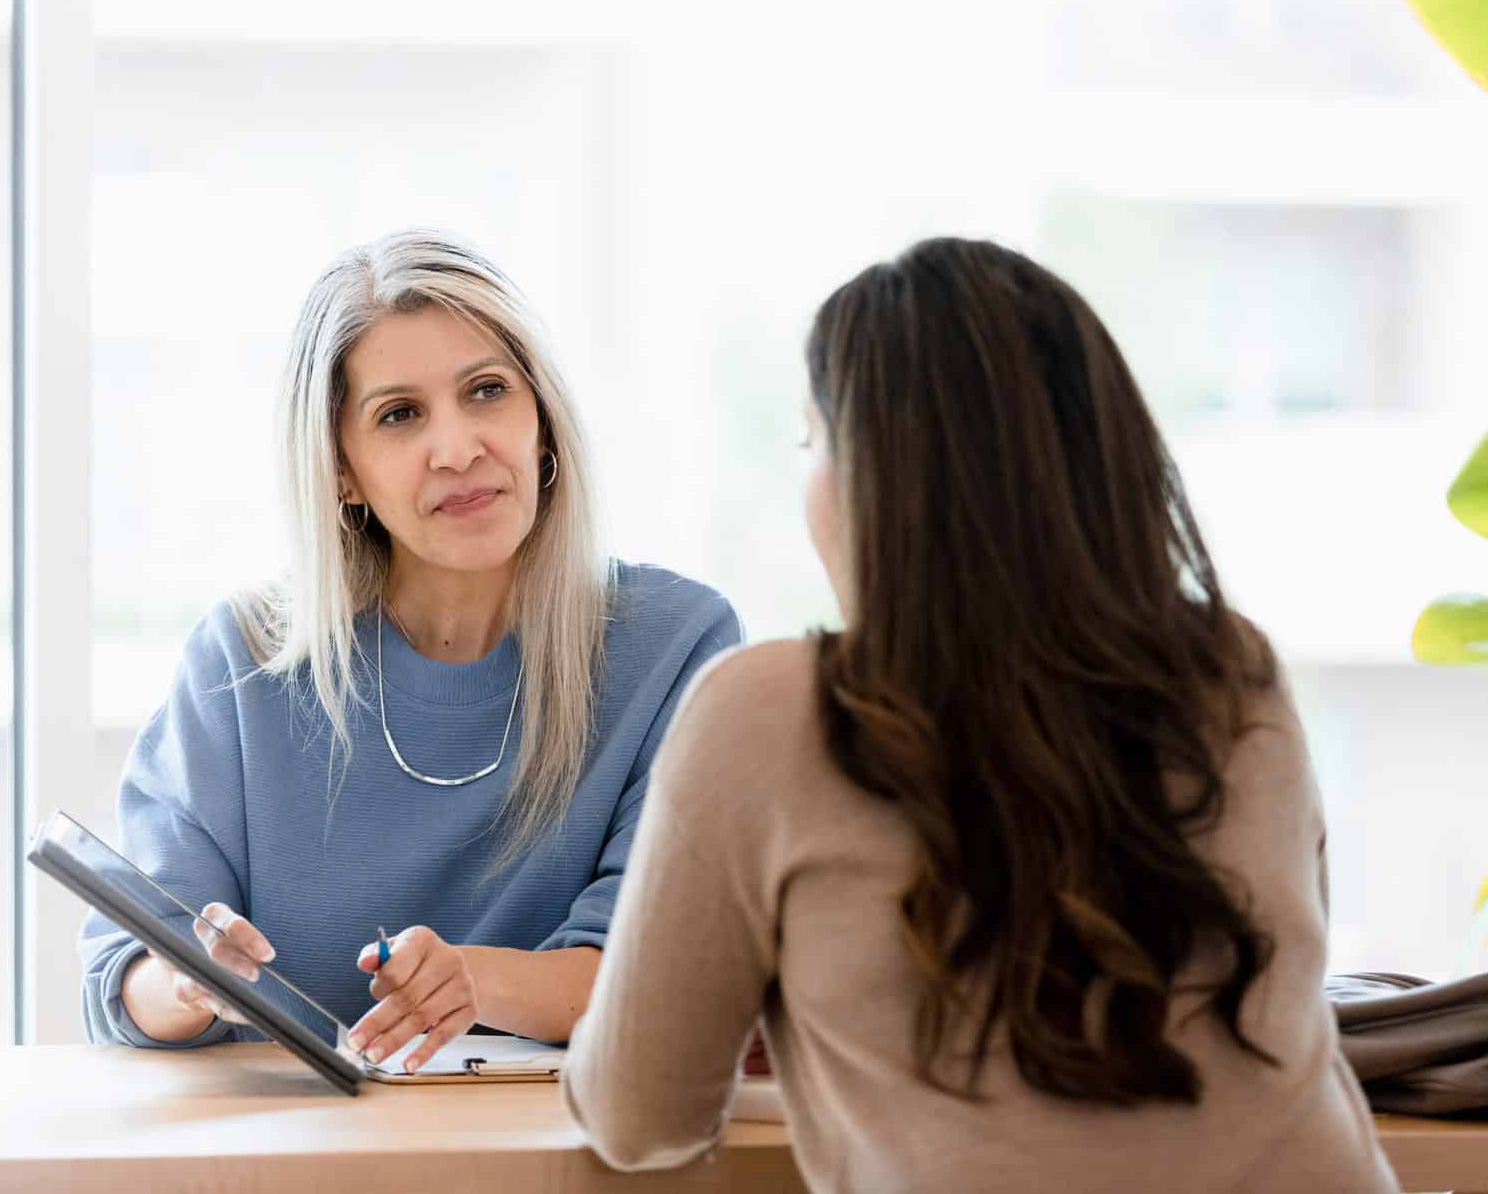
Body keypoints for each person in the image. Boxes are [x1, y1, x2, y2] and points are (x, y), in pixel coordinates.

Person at [563, 238, 1400, 1192]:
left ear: (872, 479)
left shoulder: (765, 710)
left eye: (812, 445)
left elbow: (638, 1121)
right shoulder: (1230, 669)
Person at [80, 230, 741, 1073]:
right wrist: (186, 980)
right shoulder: (244, 659)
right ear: (341, 470)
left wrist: (473, 981)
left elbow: (663, 972)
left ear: (541, 421)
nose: (458, 448)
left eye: (487, 391)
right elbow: (121, 972)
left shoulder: (675, 646)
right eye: (399, 415)